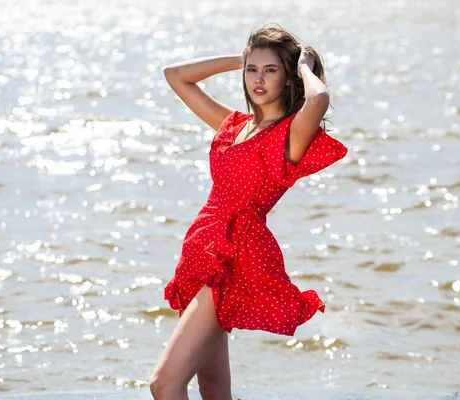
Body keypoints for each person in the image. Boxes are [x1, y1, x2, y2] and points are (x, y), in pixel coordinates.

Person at [149, 23, 348, 400]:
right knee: (212, 385)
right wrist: (242, 59)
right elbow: (175, 76)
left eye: (270, 70)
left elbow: (318, 100)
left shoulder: (289, 133)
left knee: (164, 384)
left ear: (288, 78)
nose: (258, 79)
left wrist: (303, 65)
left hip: (234, 256)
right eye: (252, 70)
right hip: (202, 251)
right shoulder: (234, 125)